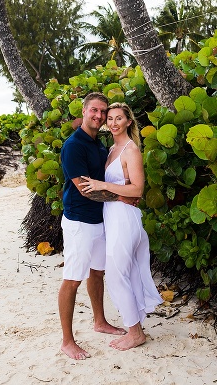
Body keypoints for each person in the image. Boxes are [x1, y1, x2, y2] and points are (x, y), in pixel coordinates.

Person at [80, 102, 163, 351]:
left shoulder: (130, 150)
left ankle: (135, 333)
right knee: (127, 274)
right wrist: (108, 190)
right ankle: (136, 327)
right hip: (114, 216)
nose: (114, 123)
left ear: (129, 121)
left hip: (125, 219)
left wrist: (102, 185)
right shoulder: (111, 149)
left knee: (116, 276)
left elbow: (137, 189)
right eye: (110, 118)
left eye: (119, 118)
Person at [58, 92, 129, 360]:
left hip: (100, 220)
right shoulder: (74, 145)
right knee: (72, 280)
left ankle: (99, 321)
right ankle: (67, 341)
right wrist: (123, 197)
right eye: (94, 111)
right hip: (79, 222)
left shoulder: (99, 145)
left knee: (97, 274)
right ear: (84, 111)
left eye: (103, 112)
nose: (99, 116)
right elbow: (86, 189)